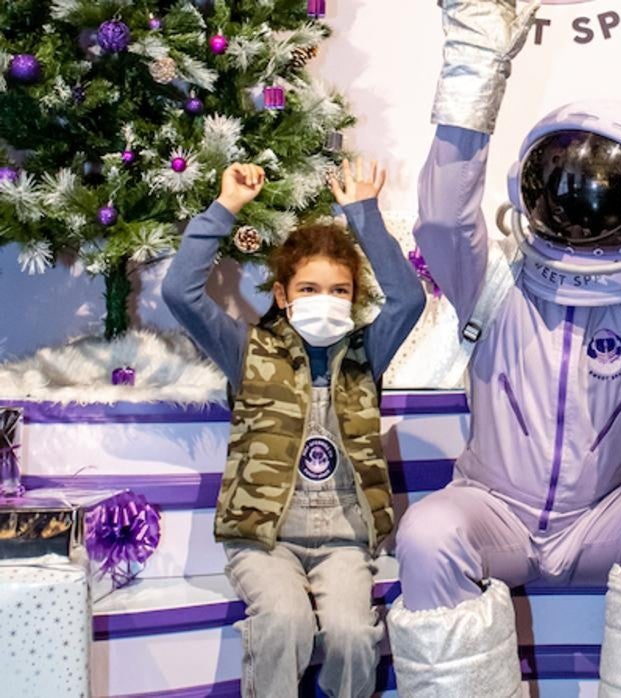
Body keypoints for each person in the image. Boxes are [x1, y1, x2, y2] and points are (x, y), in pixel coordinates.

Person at [385, 1, 621, 695]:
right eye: (568, 189)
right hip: (494, 511)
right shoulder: (493, 287)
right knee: (426, 533)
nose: (584, 208)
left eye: (608, 197)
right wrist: (474, 67)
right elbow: (440, 220)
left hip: (600, 516)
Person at [161, 160, 425, 698]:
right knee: (285, 624)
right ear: (282, 295)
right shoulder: (248, 351)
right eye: (309, 288)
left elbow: (409, 299)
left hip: (345, 543)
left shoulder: (364, 355)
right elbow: (180, 294)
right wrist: (226, 207)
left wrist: (363, 215)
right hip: (265, 539)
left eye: (339, 290)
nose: (324, 301)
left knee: (353, 636)